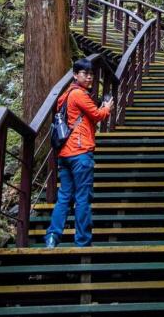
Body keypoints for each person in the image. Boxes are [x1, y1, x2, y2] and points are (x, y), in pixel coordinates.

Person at [44, 58, 113, 248]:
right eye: (85, 73)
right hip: (80, 152)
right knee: (83, 197)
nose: (89, 77)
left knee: (65, 196)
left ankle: (52, 236)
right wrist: (107, 107)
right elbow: (98, 116)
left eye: (91, 74)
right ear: (75, 75)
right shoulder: (79, 95)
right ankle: (82, 241)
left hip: (65, 153)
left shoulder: (64, 96)